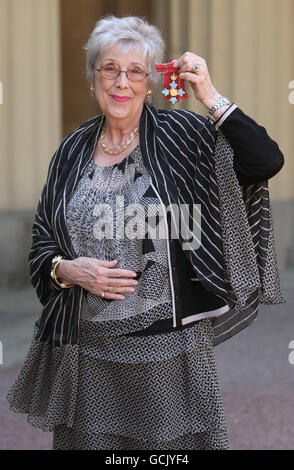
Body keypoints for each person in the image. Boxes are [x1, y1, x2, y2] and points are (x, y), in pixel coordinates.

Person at [7, 15, 285, 450]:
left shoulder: (183, 135)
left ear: (151, 82)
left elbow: (264, 161)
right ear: (92, 78)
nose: (122, 82)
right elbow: (44, 240)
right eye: (109, 68)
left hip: (169, 352)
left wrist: (209, 95)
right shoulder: (71, 149)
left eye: (136, 71)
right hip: (88, 353)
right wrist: (68, 270)